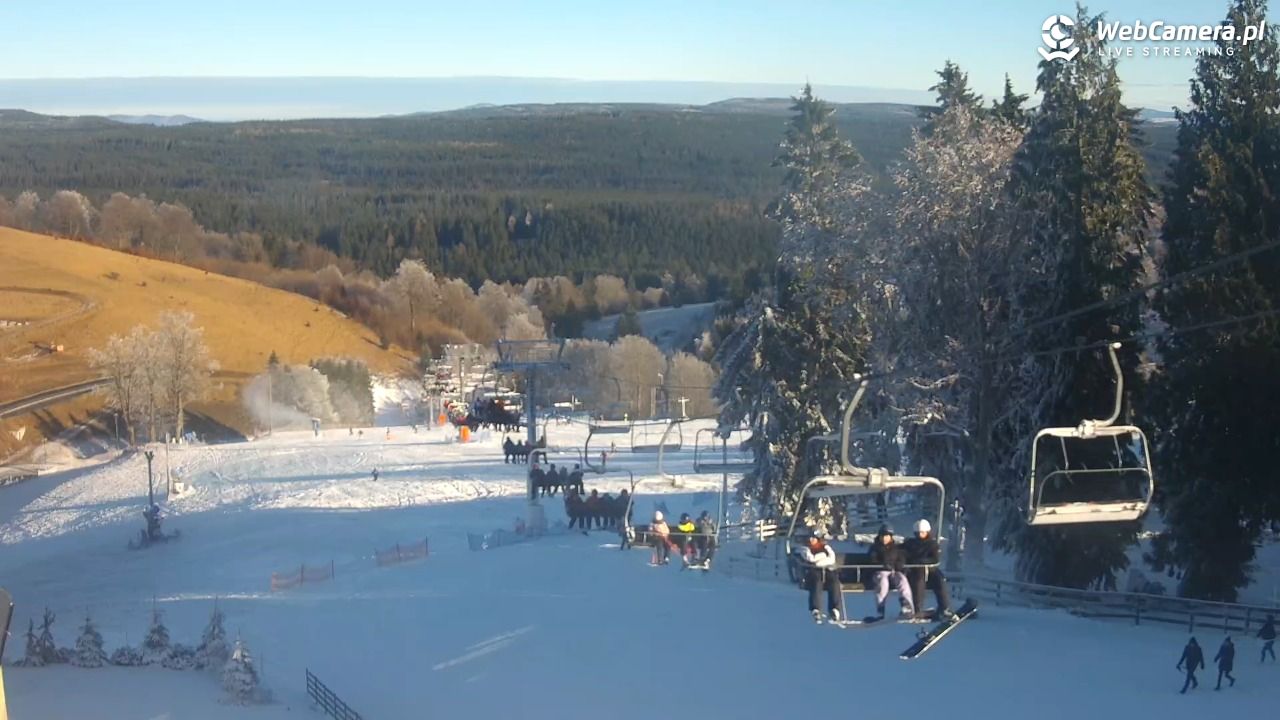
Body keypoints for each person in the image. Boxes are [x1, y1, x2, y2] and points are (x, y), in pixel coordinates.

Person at [902, 519, 953, 620]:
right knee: (918, 582)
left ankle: (944, 607)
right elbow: (902, 553)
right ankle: (917, 608)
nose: (921, 534)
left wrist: (921, 561)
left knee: (940, 580)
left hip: (930, 570)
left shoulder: (932, 544)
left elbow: (935, 558)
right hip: (915, 571)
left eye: (923, 532)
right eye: (919, 533)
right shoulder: (910, 544)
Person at [868, 525, 914, 619]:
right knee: (883, 582)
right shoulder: (875, 548)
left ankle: (906, 605)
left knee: (902, 580)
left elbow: (901, 559)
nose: (884, 538)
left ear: (891, 537)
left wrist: (899, 565)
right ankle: (880, 608)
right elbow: (872, 560)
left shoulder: (895, 548)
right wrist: (883, 565)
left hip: (894, 571)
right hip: (880, 572)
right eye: (882, 536)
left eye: (887, 536)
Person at [797, 530, 842, 622]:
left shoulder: (825, 547)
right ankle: (815, 608)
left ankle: (834, 609)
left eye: (813, 538)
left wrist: (819, 561)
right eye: (810, 538)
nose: (811, 540)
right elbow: (811, 559)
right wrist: (823, 556)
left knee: (835, 582)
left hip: (827, 570)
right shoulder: (805, 548)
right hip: (812, 572)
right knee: (817, 583)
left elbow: (831, 559)